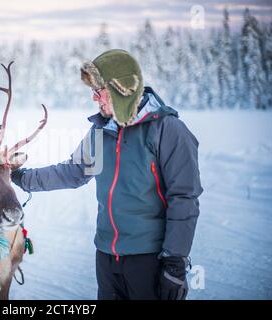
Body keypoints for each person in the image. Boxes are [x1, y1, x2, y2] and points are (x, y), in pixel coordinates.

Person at [11, 49, 203, 300]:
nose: (94, 99)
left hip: (150, 260)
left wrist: (174, 261)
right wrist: (22, 178)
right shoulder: (102, 132)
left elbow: (184, 197)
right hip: (106, 258)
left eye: (98, 91)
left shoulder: (166, 130)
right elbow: (74, 172)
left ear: (122, 88)